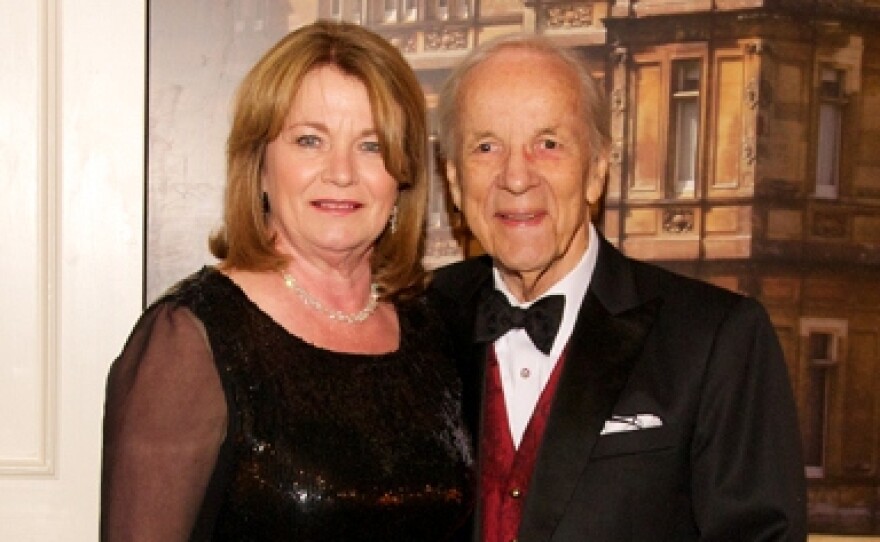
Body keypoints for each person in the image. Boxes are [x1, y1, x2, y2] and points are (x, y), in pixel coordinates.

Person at [101, 21, 473, 541]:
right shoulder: (191, 340)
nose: (341, 172)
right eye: (309, 140)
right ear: (259, 166)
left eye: (371, 146)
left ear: (402, 175)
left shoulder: (434, 328)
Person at [430, 33, 807, 541]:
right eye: (486, 147)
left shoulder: (717, 340)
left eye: (549, 144)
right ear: (454, 181)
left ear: (597, 170)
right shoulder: (415, 324)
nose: (516, 177)